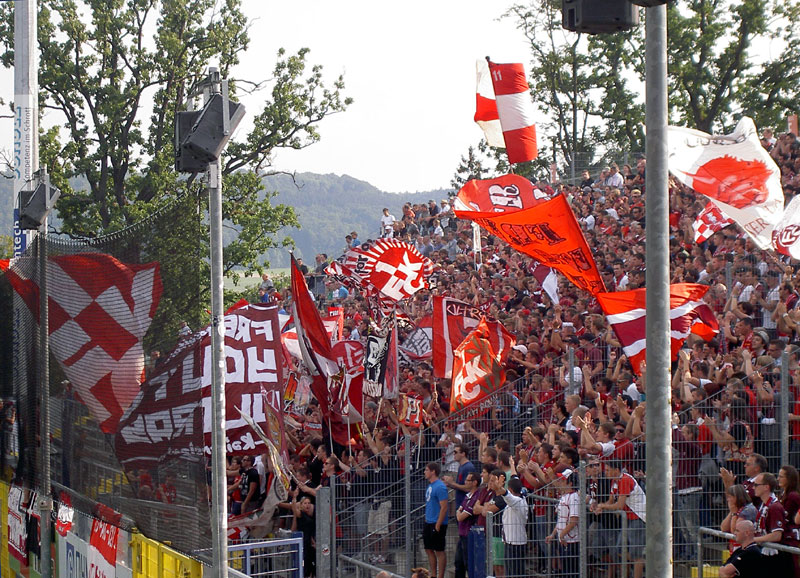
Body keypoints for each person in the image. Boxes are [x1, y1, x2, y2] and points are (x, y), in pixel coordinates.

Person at [548, 469, 580, 577]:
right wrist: (553, 534)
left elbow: (573, 520)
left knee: (571, 571)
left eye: (562, 480)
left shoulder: (574, 497)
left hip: (571, 541)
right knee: (566, 571)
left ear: (570, 483)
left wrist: (562, 534)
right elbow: (560, 520)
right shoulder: (564, 497)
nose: (559, 482)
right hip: (563, 539)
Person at [423, 462, 448, 578]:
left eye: (427, 470)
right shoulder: (430, 486)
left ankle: (440, 575)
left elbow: (444, 507)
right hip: (428, 521)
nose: (425, 472)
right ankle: (433, 574)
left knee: (439, 550)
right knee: (428, 549)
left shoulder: (440, 486)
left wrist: (438, 524)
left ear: (433, 471)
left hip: (437, 522)